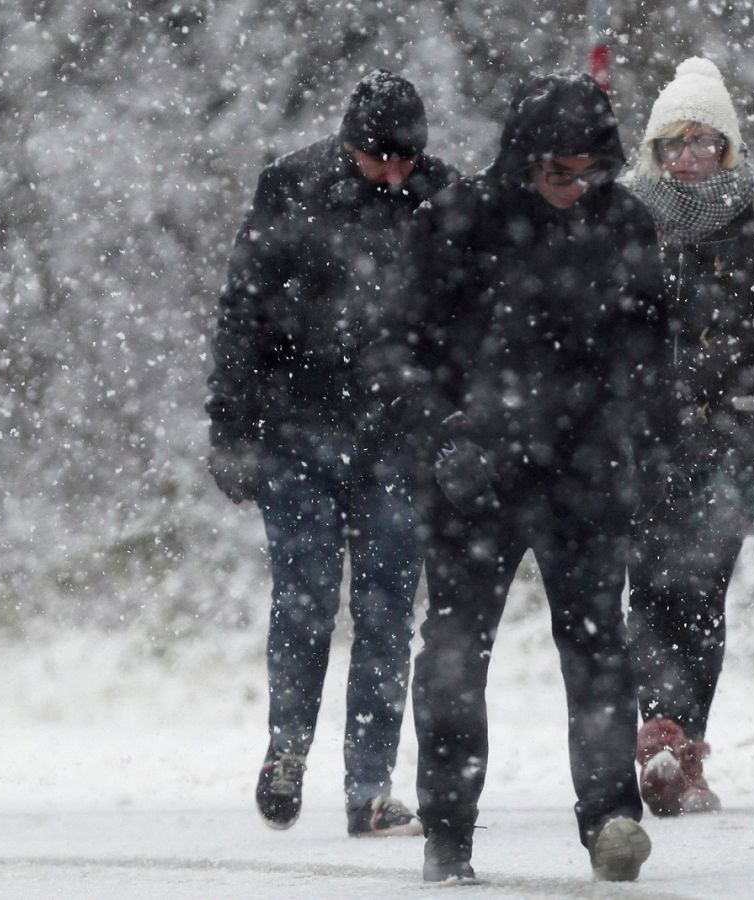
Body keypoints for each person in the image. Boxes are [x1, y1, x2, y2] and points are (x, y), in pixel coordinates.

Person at [402, 72, 666, 883]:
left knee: (597, 649)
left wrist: (646, 447)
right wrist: (445, 439)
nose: (574, 187)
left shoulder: (623, 222)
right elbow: (407, 355)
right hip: (474, 477)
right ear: (523, 159)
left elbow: (649, 348)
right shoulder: (455, 222)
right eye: (560, 171)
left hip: (584, 473)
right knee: (453, 651)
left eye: (590, 170)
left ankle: (612, 818)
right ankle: (448, 831)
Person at [205, 68, 456, 837]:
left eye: (404, 161)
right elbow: (243, 311)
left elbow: (467, 321)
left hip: (400, 438)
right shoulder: (289, 188)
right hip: (298, 433)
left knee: (386, 615)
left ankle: (370, 788)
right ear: (349, 145)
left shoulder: (444, 199)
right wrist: (230, 428)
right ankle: (286, 750)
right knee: (305, 600)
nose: (392, 173)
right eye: (379, 159)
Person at [619, 57, 754, 818]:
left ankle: (685, 748)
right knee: (649, 589)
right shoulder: (625, 215)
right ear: (654, 147)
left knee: (703, 594)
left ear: (726, 147)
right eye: (673, 141)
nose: (686, 155)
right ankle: (657, 735)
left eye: (702, 141)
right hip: (644, 436)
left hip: (734, 436)